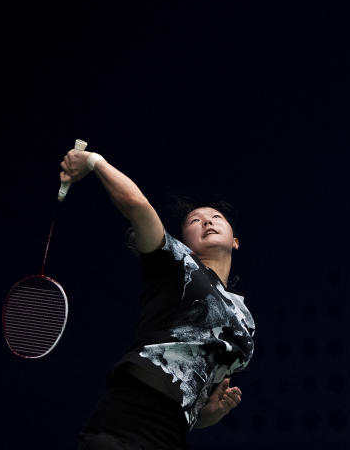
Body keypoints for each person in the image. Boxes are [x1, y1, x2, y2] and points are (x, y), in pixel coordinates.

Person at [60, 146, 255, 450]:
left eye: (215, 217)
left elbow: (194, 392)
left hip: (171, 434)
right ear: (184, 242)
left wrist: (209, 414)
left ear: (236, 241)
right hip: (133, 409)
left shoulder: (245, 323)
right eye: (195, 221)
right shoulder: (176, 263)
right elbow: (136, 204)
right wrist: (94, 161)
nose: (207, 222)